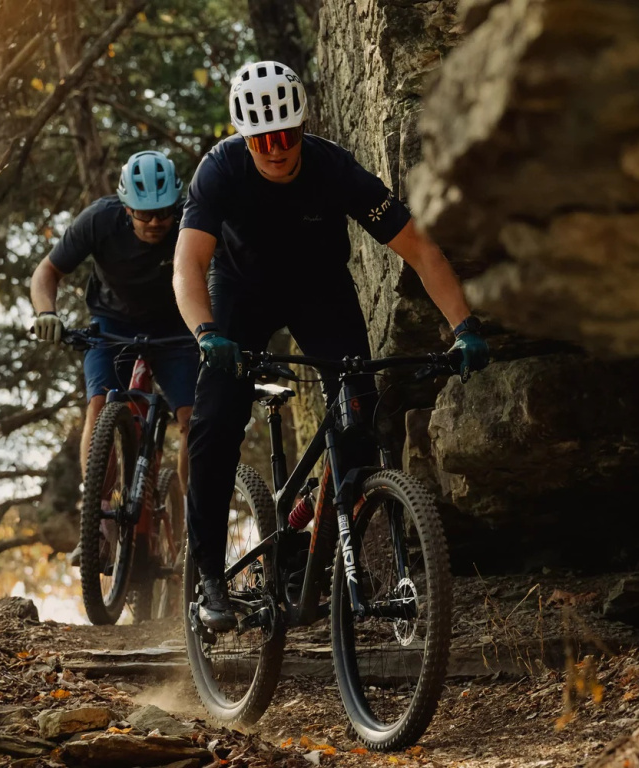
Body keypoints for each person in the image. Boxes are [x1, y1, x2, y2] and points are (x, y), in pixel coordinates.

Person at [172, 60, 490, 631]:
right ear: (244, 138)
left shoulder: (334, 168)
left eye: (285, 135)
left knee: (358, 423)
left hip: (320, 292)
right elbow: (187, 266)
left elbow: (419, 248)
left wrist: (464, 327)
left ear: (302, 127)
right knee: (215, 422)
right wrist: (206, 333)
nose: (275, 150)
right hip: (241, 296)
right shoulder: (219, 170)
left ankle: (311, 542)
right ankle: (210, 579)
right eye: (261, 140)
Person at [30, 150, 198, 539]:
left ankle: (196, 517)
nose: (155, 222)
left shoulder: (192, 219)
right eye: (144, 214)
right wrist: (46, 314)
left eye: (164, 212)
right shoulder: (99, 220)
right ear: (126, 208)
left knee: (194, 420)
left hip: (175, 326)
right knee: (99, 406)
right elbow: (47, 272)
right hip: (111, 326)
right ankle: (98, 515)